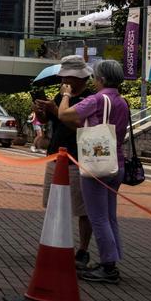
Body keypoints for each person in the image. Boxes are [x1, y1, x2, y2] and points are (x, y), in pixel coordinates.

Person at [57, 59, 131, 284]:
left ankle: (108, 266)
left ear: (101, 79)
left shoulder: (97, 99)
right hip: (116, 163)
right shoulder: (122, 101)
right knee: (109, 216)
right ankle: (112, 260)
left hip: (97, 163)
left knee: (98, 217)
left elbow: (64, 115)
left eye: (96, 77)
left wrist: (66, 94)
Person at [32, 54, 93, 270]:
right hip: (55, 154)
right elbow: (52, 121)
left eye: (67, 76)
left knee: (82, 209)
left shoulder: (90, 98)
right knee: (53, 205)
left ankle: (83, 250)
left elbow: (77, 124)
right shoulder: (60, 96)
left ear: (79, 77)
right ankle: (55, 242)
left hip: (78, 158)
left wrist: (55, 109)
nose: (63, 80)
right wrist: (42, 113)